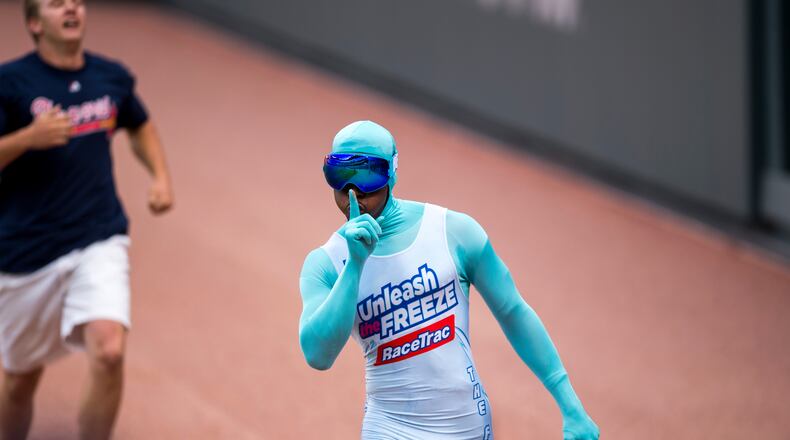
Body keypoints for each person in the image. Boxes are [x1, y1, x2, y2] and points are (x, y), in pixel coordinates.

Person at [299, 120, 600, 439]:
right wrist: (355, 265)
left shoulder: (454, 232)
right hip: (388, 428)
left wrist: (571, 407)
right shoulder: (327, 263)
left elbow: (513, 312)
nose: (353, 194)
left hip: (467, 427)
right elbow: (318, 354)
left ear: (393, 172)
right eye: (340, 177)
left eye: (368, 178)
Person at [0, 0, 173, 438]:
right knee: (21, 379)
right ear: (35, 24)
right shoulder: (10, 82)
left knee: (109, 350)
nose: (71, 8)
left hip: (98, 234)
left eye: (75, 1)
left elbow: (139, 124)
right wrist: (28, 138)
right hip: (25, 250)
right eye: (56, 4)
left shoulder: (109, 77)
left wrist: (160, 177)